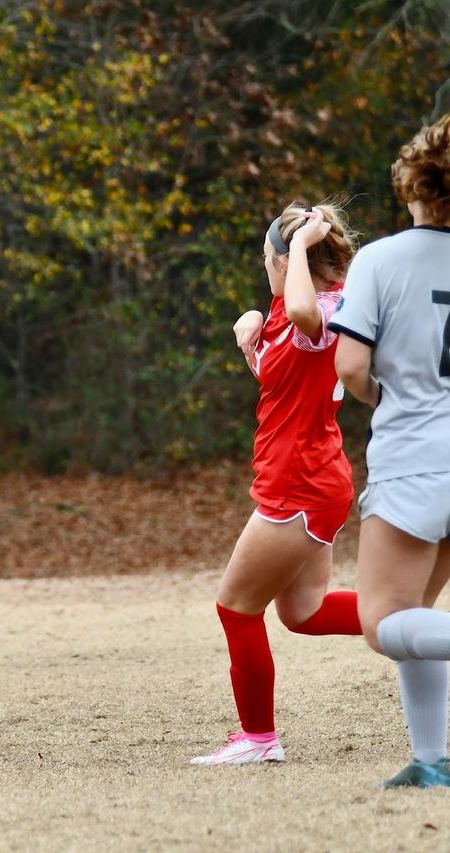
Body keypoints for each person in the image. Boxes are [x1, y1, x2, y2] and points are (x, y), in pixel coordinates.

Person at [191, 201, 361, 766]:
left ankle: (258, 739)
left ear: (288, 262)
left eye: (269, 258)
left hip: (299, 483)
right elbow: (288, 380)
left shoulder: (320, 306)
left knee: (236, 608)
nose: (265, 267)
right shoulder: (294, 308)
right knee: (305, 612)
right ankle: (408, 619)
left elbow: (310, 320)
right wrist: (251, 340)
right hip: (312, 477)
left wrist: (302, 250)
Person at [330, 113, 450, 789]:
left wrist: (393, 400)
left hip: (415, 460)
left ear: (417, 180)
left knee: (383, 623)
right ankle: (432, 760)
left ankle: (433, 758)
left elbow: (350, 367)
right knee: (416, 620)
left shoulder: (380, 257)